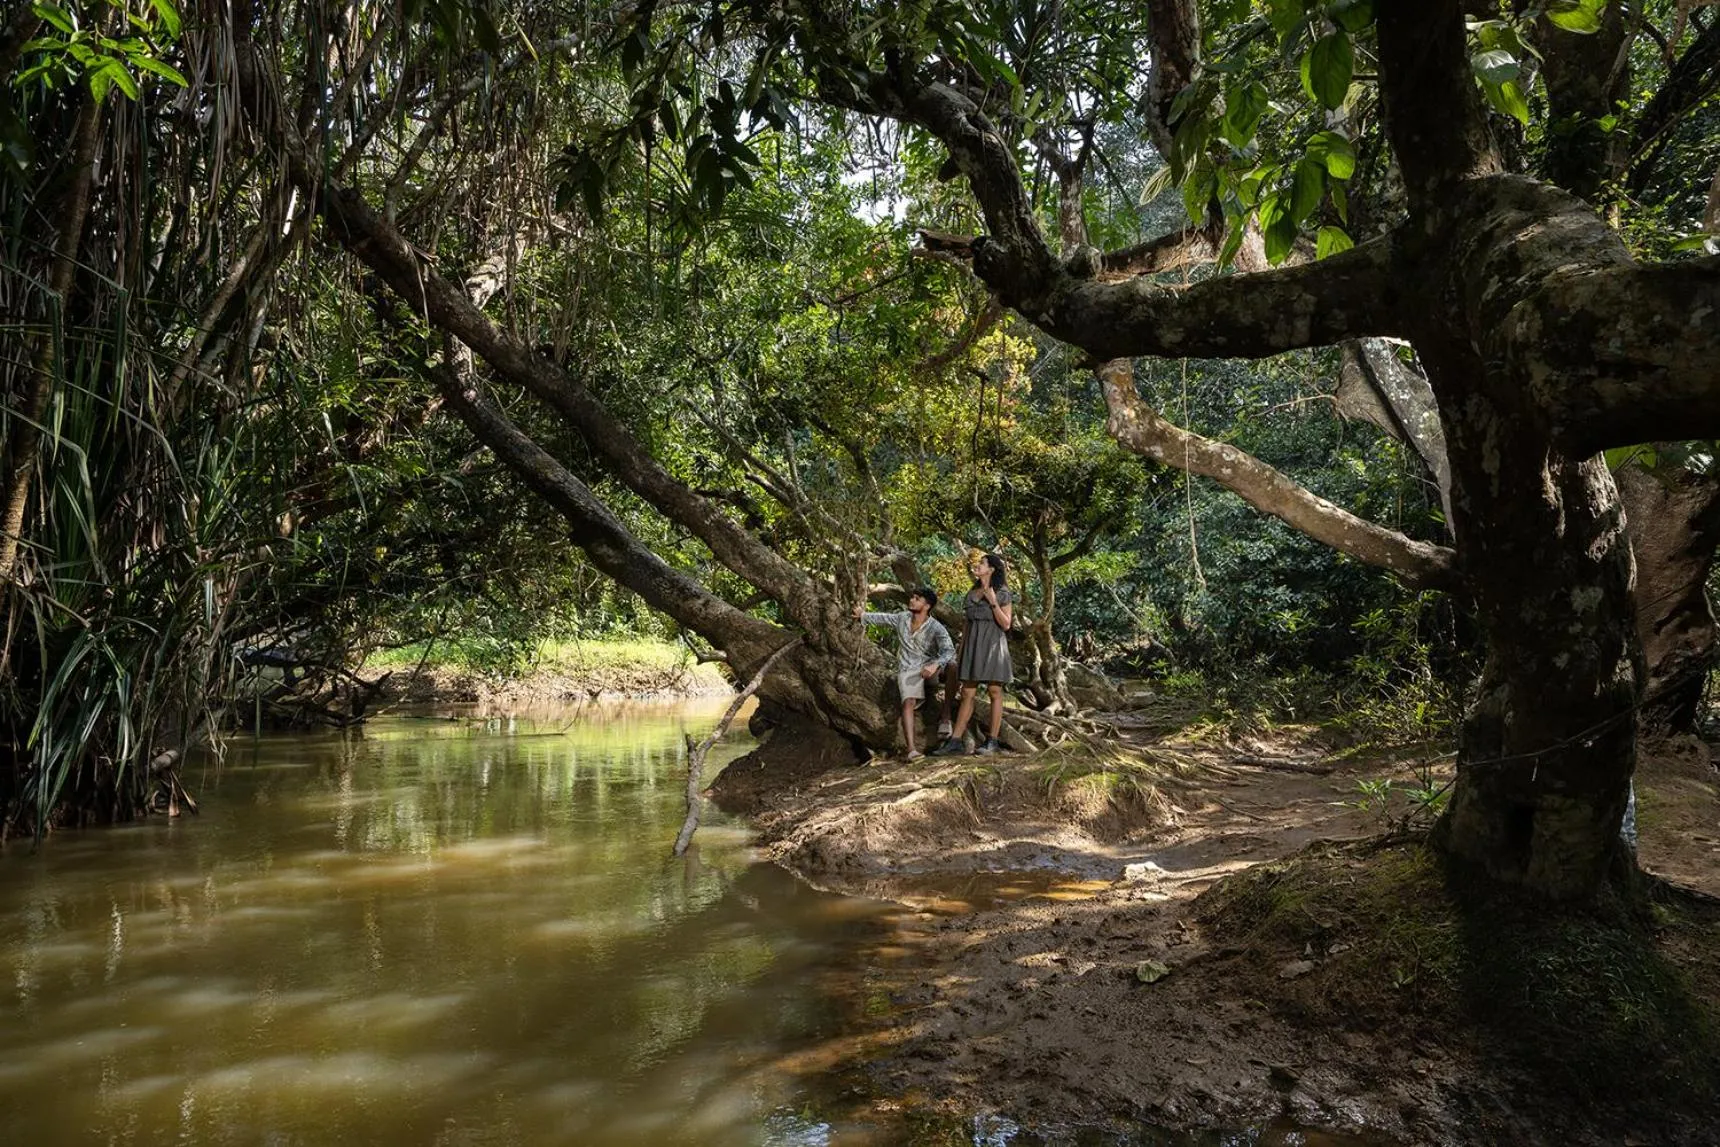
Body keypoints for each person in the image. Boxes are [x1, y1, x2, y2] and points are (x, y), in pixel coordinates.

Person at [857, 587, 957, 761]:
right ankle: (911, 749)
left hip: (930, 669)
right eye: (912, 597)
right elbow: (882, 618)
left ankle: (946, 717)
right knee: (908, 702)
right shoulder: (902, 618)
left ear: (927, 606)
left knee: (953, 665)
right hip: (909, 669)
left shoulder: (936, 627)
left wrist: (935, 665)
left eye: (917, 599)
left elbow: (949, 651)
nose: (912, 600)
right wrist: (862, 615)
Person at [932, 552, 1014, 756]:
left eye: (982, 563)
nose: (978, 565)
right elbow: (966, 625)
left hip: (994, 646)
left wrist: (992, 601)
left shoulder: (1002, 592)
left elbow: (1006, 624)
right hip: (972, 646)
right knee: (967, 692)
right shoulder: (971, 593)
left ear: (991, 569)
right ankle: (955, 741)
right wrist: (961, 653)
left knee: (994, 691)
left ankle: (992, 741)